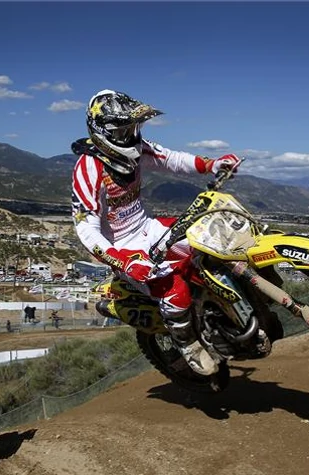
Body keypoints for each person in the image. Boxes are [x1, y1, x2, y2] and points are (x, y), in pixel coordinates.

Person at [71, 89, 239, 376]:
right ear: (104, 132)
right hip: (123, 247)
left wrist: (211, 165)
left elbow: (169, 159)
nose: (131, 135)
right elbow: (85, 227)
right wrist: (123, 261)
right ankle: (187, 344)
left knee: (211, 238)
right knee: (173, 289)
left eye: (133, 127)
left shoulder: (135, 149)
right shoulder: (88, 169)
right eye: (123, 130)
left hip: (148, 226)